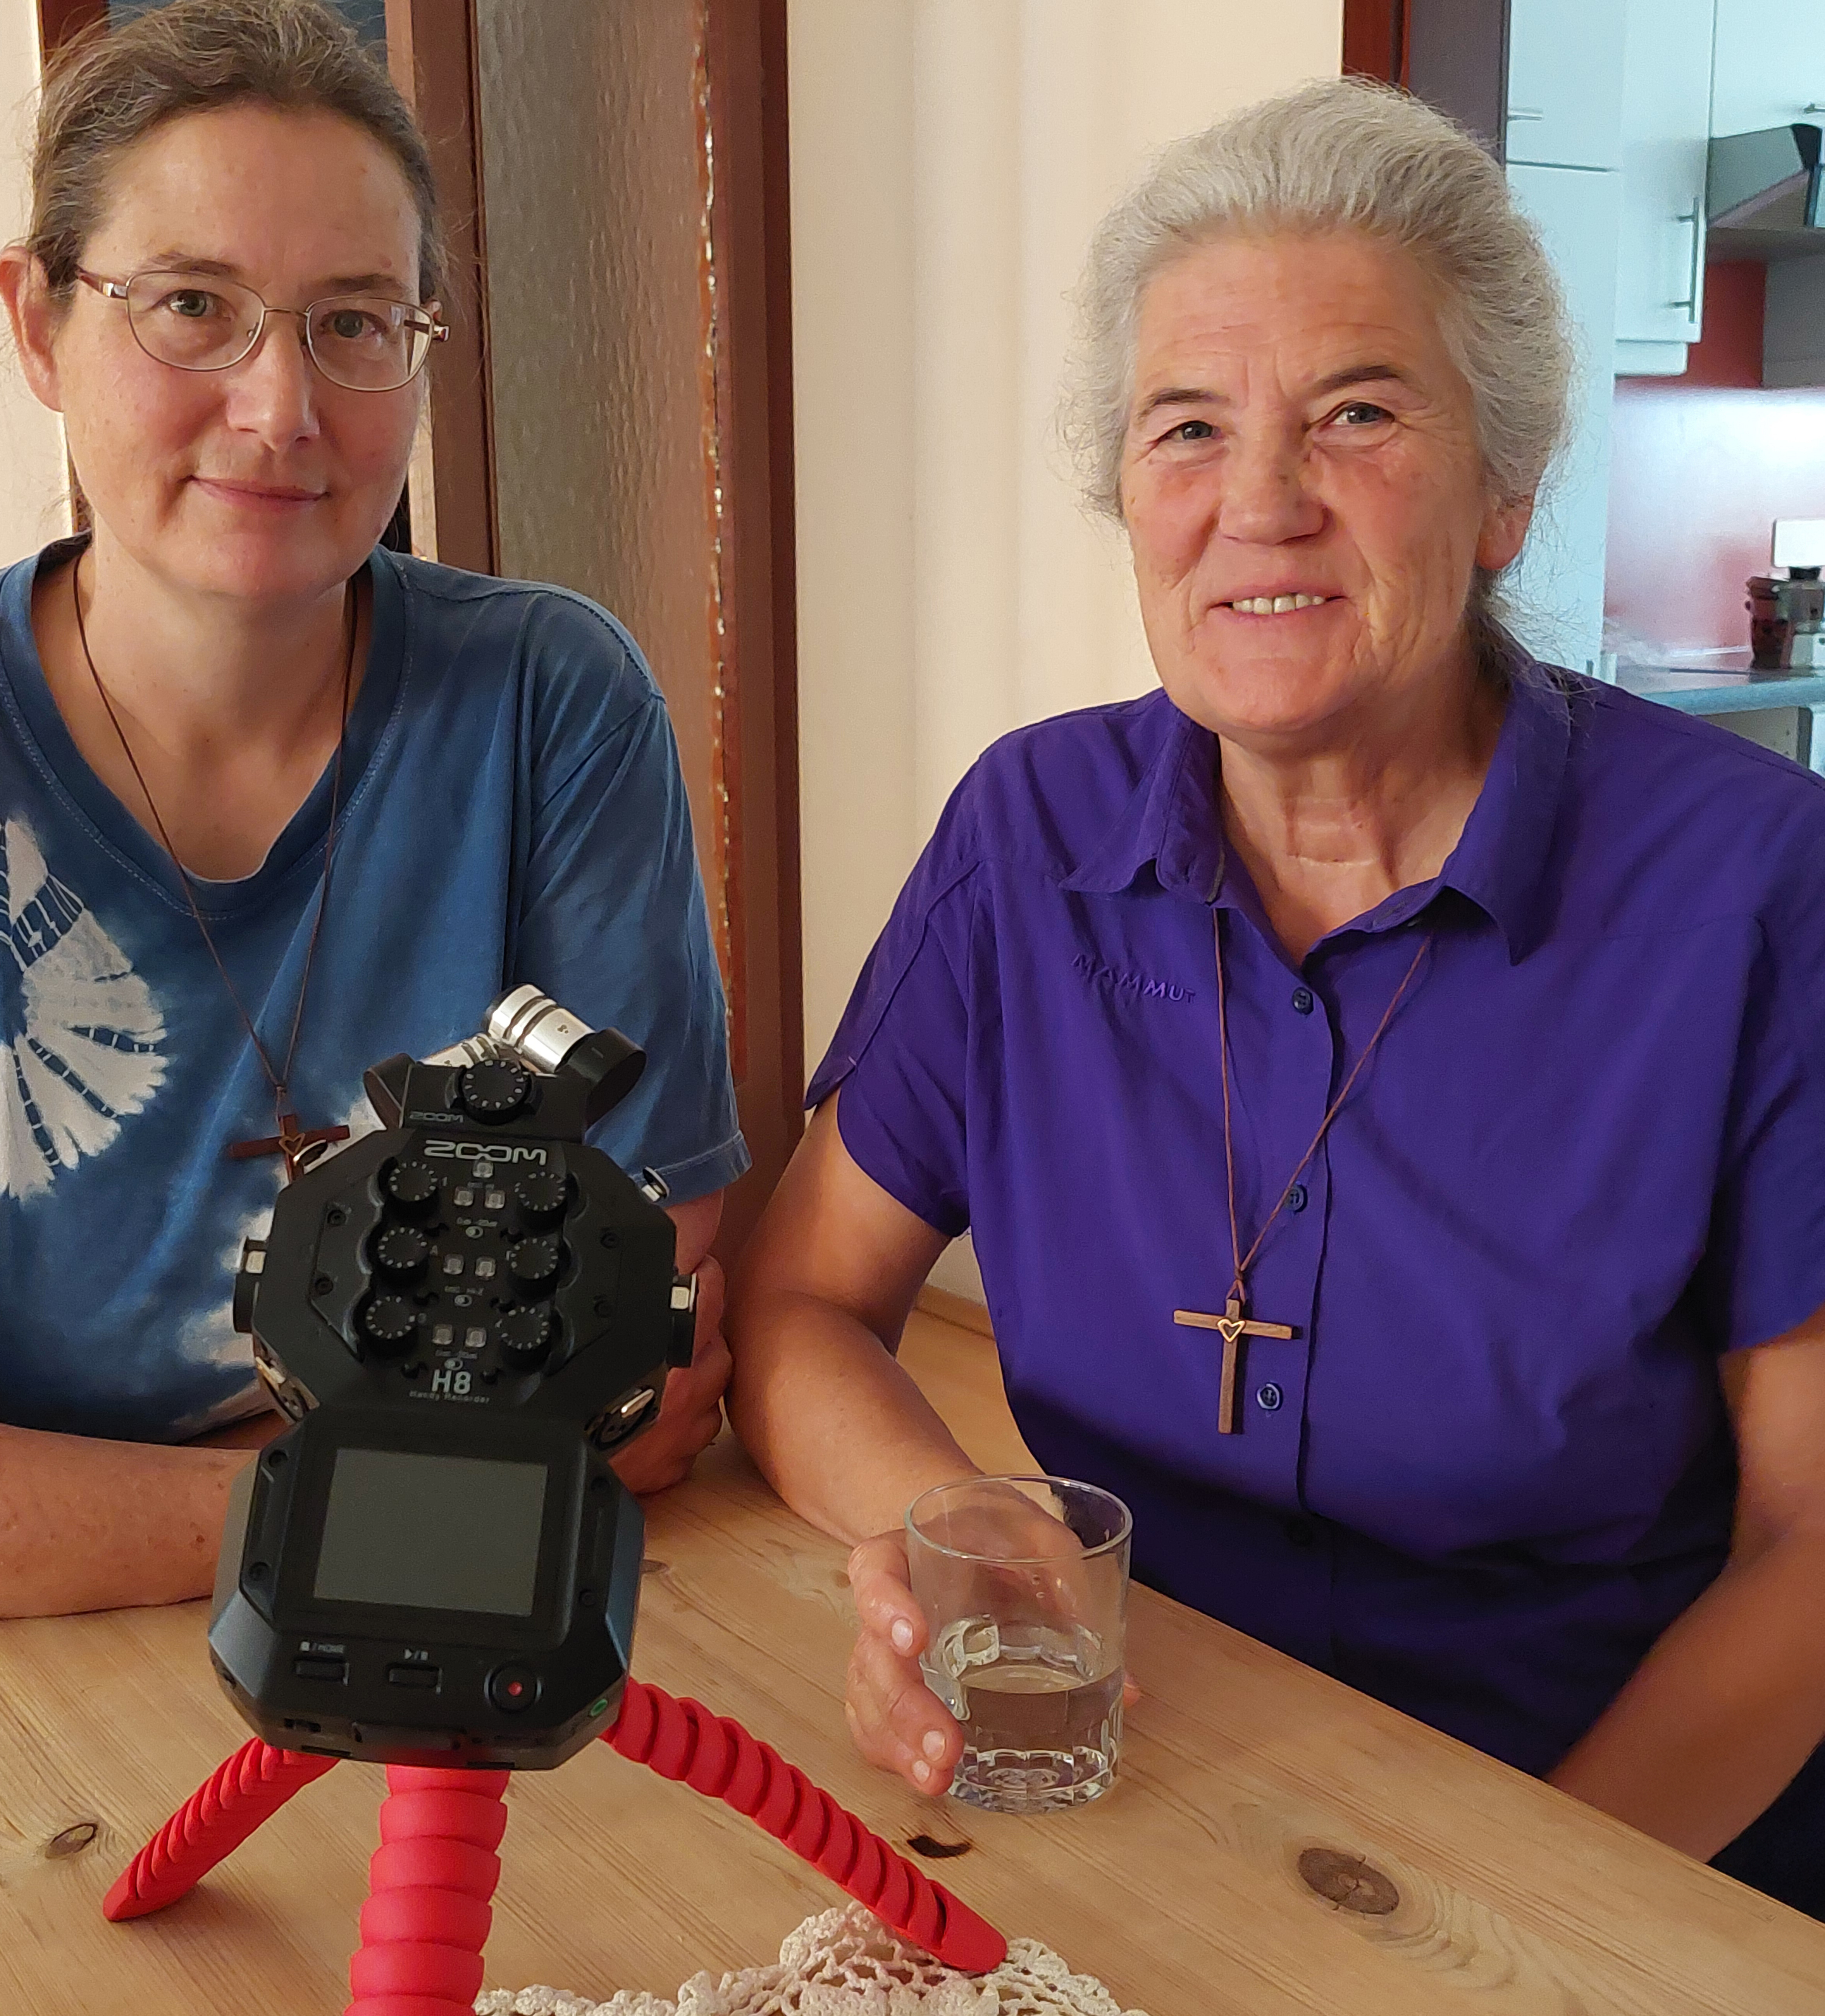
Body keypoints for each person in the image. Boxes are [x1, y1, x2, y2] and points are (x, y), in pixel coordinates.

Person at [727, 79, 1825, 1916]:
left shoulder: (1759, 886)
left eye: (1360, 414)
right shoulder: (1027, 833)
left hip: (1614, 1842)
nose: (1261, 502)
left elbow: (1812, 1548)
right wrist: (955, 1537)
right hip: (1148, 1794)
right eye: (1187, 427)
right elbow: (804, 1304)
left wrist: (1493, 1911)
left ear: (1505, 491)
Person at [0, 0, 745, 1628]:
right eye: (190, 307)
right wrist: (393, 1485)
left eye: (354, 322)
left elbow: (635, 1371)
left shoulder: (553, 702)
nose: (279, 408)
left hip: (461, 1634)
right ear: (38, 323)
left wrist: (26, 1492)